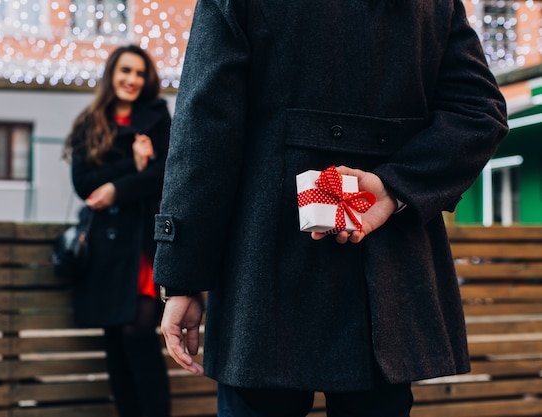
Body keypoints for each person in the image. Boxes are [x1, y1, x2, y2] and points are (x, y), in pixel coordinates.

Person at [152, 1, 509, 416]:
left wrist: (181, 277)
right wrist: (394, 187)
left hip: (262, 272)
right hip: (384, 274)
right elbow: (479, 113)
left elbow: (205, 130)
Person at [64, 44, 171, 417]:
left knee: (138, 331)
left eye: (140, 73)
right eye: (126, 71)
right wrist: (132, 167)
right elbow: (84, 184)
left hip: (142, 242)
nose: (133, 80)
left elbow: (166, 176)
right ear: (112, 73)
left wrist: (124, 185)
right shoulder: (89, 123)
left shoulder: (157, 117)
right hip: (105, 248)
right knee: (113, 337)